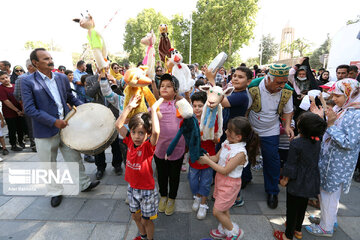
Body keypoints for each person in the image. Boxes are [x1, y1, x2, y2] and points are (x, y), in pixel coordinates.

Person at [21, 48, 99, 208]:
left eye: (50, 57)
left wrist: (86, 109)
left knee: (73, 156)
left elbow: (70, 97)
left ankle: (83, 184)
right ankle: (55, 191)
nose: (50, 60)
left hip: (66, 125)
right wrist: (53, 122)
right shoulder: (27, 81)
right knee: (48, 163)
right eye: (45, 59)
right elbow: (29, 109)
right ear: (35, 63)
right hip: (45, 130)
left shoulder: (62, 78)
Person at [306, 79, 360, 237]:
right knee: (326, 193)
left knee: (329, 194)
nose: (334, 99)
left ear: (351, 94)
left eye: (338, 95)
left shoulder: (356, 114)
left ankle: (326, 227)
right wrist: (323, 118)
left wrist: (329, 125)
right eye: (333, 95)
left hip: (339, 162)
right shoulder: (344, 108)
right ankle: (329, 219)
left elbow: (349, 142)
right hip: (330, 159)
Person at [198, 117, 259, 240]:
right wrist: (206, 158)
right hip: (221, 181)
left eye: (229, 131)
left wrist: (207, 162)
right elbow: (216, 158)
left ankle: (234, 232)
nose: (225, 132)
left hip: (230, 185)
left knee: (217, 211)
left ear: (238, 137)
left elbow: (225, 170)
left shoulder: (240, 153)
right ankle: (224, 229)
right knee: (223, 209)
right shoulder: (227, 142)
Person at [115, 95, 163, 240]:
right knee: (135, 217)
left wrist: (153, 110)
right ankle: (142, 236)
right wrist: (129, 106)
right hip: (132, 188)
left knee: (146, 220)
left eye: (141, 133)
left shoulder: (148, 146)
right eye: (134, 132)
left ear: (147, 134)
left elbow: (156, 132)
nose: (136, 136)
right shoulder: (129, 140)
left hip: (147, 190)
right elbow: (118, 124)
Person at [247, 64, 294, 209]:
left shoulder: (287, 90)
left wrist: (286, 126)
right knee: (245, 156)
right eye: (278, 82)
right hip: (252, 127)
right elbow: (246, 108)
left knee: (272, 160)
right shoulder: (254, 87)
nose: (282, 85)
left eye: (284, 81)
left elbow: (288, 111)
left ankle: (272, 191)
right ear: (268, 79)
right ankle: (244, 179)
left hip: (271, 129)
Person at [273, 112, 327, 240]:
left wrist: (285, 179)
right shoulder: (317, 141)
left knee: (291, 208)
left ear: (301, 128)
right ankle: (298, 230)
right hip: (310, 179)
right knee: (302, 206)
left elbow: (291, 164)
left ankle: (287, 235)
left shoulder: (296, 144)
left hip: (296, 180)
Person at [153, 74, 185, 216]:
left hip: (178, 149)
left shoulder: (181, 105)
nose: (164, 88)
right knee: (161, 174)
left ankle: (172, 198)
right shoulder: (156, 105)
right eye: (162, 86)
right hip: (159, 149)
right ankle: (163, 195)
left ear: (175, 90)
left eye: (169, 86)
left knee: (174, 175)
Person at [85, 67, 124, 178]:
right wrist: (99, 82)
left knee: (116, 143)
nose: (103, 67)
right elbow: (89, 94)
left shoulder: (115, 77)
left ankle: (117, 165)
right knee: (99, 144)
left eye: (105, 65)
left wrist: (114, 83)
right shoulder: (90, 79)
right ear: (96, 66)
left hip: (114, 115)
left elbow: (122, 96)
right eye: (99, 65)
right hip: (98, 116)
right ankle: (100, 168)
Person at [188, 92, 215, 220]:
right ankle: (198, 195)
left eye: (200, 105)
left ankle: (203, 203)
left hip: (208, 157)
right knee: (193, 181)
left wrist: (208, 133)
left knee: (206, 182)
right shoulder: (190, 120)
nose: (197, 108)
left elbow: (217, 139)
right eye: (195, 106)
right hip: (193, 158)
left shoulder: (211, 120)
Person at [13, 59, 38, 152]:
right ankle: (34, 144)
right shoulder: (21, 78)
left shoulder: (40, 76)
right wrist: (23, 105)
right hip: (29, 106)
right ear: (30, 67)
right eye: (36, 65)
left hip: (42, 105)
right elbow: (17, 94)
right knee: (31, 126)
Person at [0, 71, 25, 151]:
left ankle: (21, 141)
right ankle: (13, 144)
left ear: (9, 77)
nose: (5, 80)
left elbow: (21, 98)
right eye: (2, 79)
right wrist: (17, 110)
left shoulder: (15, 86)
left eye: (6, 77)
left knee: (20, 128)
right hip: (9, 113)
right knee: (12, 130)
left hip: (20, 112)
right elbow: (6, 101)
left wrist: (22, 110)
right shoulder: (1, 89)